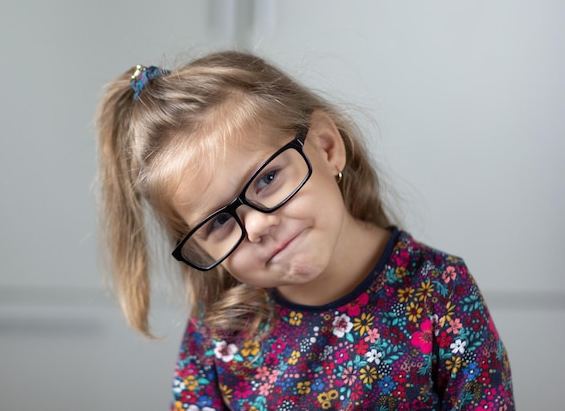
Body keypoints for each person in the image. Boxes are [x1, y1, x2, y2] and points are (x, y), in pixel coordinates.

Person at [95, 51, 514, 410]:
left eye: (267, 179)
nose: (257, 224)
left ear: (327, 147)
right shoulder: (221, 327)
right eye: (220, 221)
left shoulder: (440, 291)